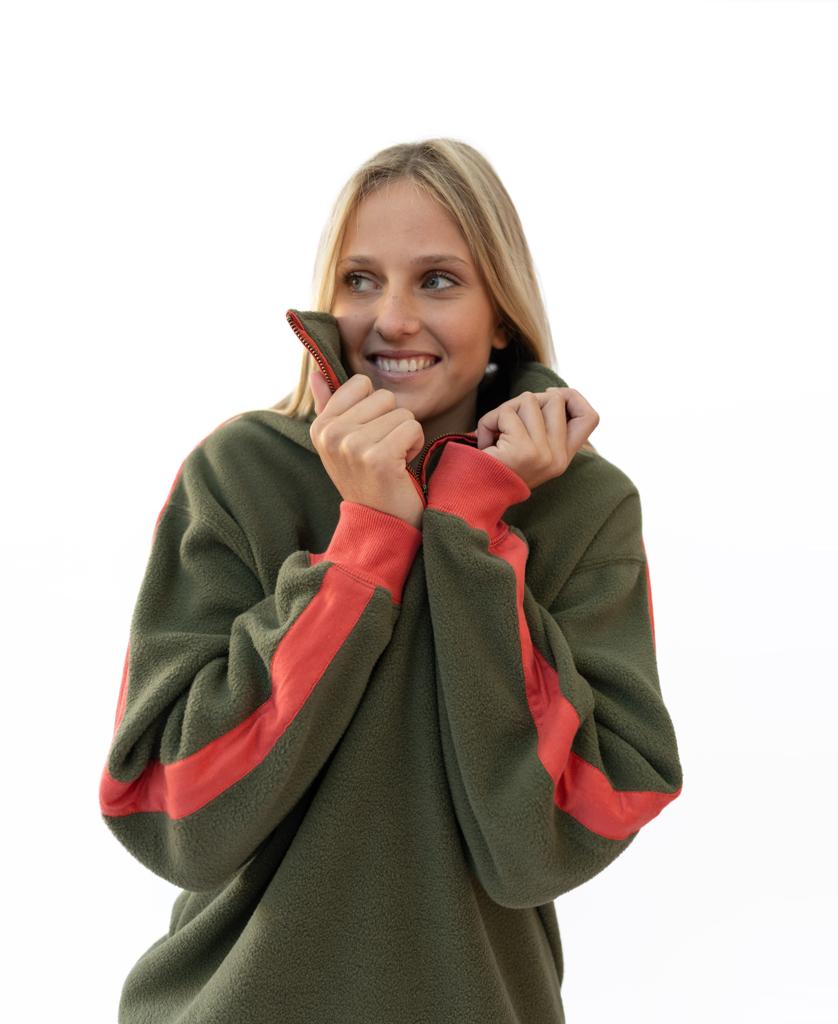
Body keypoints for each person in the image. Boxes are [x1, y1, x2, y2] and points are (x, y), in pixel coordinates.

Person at [99, 137, 684, 1023]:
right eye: (361, 279)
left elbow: (548, 842)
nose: (393, 320)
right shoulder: (242, 472)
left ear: (502, 313)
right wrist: (366, 538)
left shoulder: (584, 507)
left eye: (439, 280)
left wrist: (472, 527)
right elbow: (173, 814)